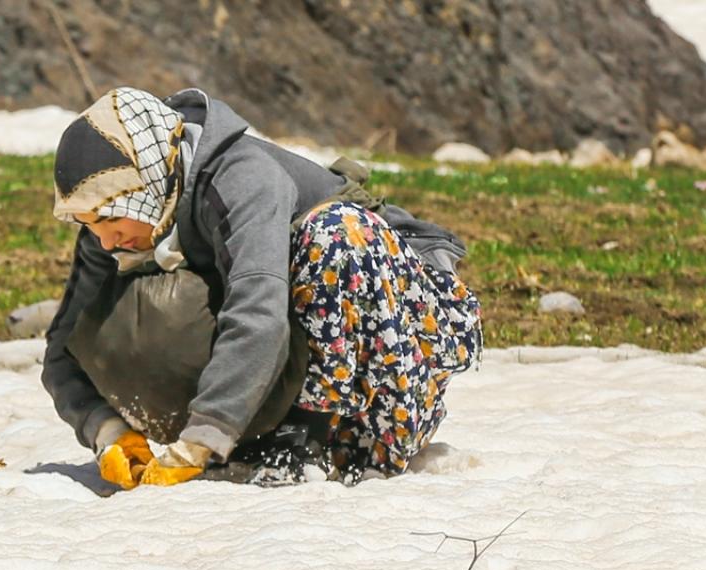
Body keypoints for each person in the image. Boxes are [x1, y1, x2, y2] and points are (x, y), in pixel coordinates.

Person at [42, 87, 482, 490]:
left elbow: (258, 311)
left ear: (146, 184)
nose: (104, 240)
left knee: (335, 232)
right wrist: (107, 430)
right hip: (296, 347)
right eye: (88, 224)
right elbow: (64, 346)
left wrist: (203, 437)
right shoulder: (127, 220)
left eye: (108, 219)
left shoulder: (242, 178)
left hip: (402, 341)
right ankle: (267, 438)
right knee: (130, 307)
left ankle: (312, 437)